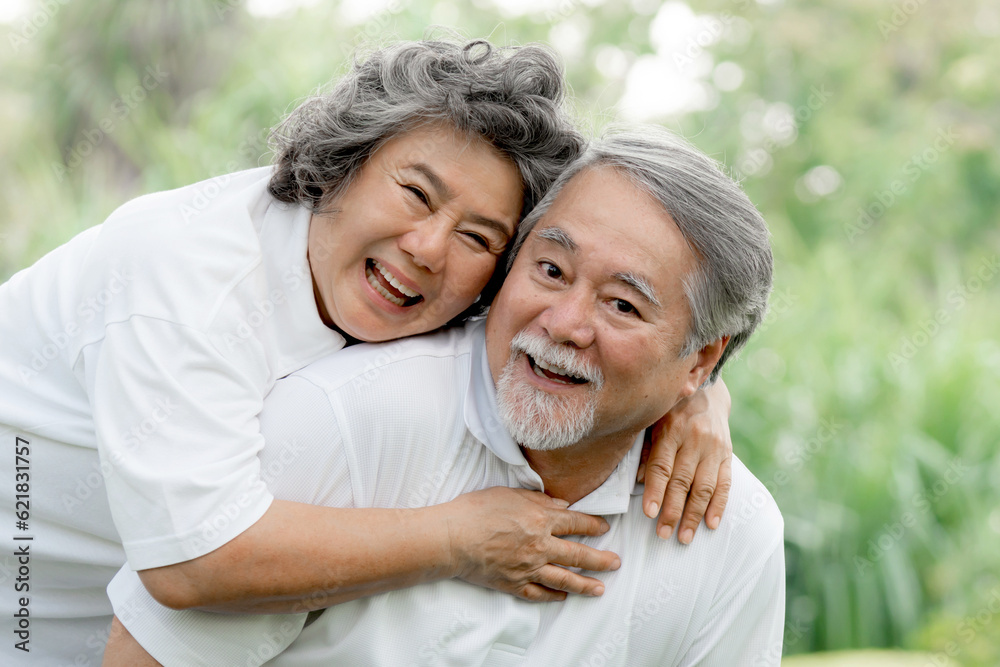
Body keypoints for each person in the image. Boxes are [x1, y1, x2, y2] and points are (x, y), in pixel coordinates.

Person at [0, 41, 732, 664]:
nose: (426, 249)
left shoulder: (410, 315)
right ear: (344, 161)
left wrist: (694, 396)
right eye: (416, 193)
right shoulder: (186, 271)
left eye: (479, 236)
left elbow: (574, 340)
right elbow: (193, 561)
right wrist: (458, 538)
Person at [104, 126, 783, 667]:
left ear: (702, 358)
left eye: (622, 304)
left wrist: (701, 400)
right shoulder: (343, 418)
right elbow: (168, 615)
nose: (564, 323)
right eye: (550, 269)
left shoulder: (734, 533)